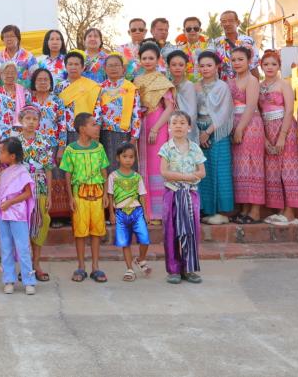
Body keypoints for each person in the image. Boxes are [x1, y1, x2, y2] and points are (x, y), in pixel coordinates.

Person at [59, 112, 109, 283]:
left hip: (97, 194)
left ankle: (96, 267)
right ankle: (81, 266)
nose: (97, 127)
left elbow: (104, 171)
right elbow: (67, 174)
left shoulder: (99, 148)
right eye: (93, 124)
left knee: (96, 232)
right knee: (80, 233)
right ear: (82, 128)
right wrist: (70, 197)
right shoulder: (71, 149)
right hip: (79, 195)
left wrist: (105, 194)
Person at [0, 137, 37, 295]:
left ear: (12, 156)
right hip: (3, 214)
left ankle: (29, 280)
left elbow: (28, 193)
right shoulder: (4, 172)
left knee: (22, 247)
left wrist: (10, 202)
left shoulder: (22, 171)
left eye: (2, 152)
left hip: (17, 213)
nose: (0, 155)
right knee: (5, 247)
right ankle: (9, 279)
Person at [159, 110, 205, 284]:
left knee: (191, 231)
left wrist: (187, 176)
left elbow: (202, 172)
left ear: (189, 127)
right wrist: (186, 177)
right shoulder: (166, 148)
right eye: (174, 123)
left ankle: (190, 268)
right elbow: (164, 172)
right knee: (171, 231)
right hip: (172, 193)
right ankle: (174, 270)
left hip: (191, 195)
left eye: (182, 122)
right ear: (169, 127)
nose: (178, 126)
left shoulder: (195, 148)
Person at [258, 50, 298, 225]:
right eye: (266, 64)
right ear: (261, 66)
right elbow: (259, 112)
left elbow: (290, 110)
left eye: (273, 64)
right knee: (272, 170)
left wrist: (282, 136)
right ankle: (279, 210)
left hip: (285, 127)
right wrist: (266, 139)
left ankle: (290, 212)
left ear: (279, 66)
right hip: (267, 128)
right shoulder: (260, 86)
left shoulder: (284, 84)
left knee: (288, 168)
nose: (270, 67)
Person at [134, 42, 175, 219]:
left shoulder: (162, 80)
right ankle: (145, 211)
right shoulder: (136, 81)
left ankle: (159, 213)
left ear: (158, 60)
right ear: (140, 60)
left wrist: (156, 128)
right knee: (143, 165)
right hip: (141, 126)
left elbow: (170, 107)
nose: (148, 61)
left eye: (151, 58)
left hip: (157, 125)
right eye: (144, 58)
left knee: (157, 167)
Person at [195, 51, 235, 225]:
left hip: (217, 131)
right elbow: (190, 111)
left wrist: (208, 132)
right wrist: (198, 133)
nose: (205, 69)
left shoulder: (222, 87)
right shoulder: (195, 86)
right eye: (202, 65)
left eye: (209, 65)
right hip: (198, 130)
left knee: (220, 169)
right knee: (204, 170)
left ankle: (222, 211)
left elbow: (224, 113)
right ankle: (207, 209)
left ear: (217, 66)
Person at [229, 47, 265, 224]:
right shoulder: (230, 81)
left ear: (249, 60)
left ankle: (255, 210)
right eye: (234, 60)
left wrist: (240, 128)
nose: (237, 63)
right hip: (234, 123)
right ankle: (244, 208)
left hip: (250, 125)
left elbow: (251, 106)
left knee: (252, 165)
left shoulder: (252, 80)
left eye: (240, 59)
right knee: (240, 167)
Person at [107, 143, 152, 282]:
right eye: (125, 156)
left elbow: (142, 195)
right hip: (120, 213)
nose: (128, 159)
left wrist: (145, 213)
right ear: (118, 158)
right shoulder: (113, 176)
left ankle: (141, 259)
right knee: (125, 242)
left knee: (145, 239)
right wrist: (112, 213)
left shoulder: (137, 177)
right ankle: (129, 269)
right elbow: (110, 196)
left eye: (131, 157)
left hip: (137, 211)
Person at [18, 105, 53, 282]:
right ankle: (24, 265)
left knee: (39, 224)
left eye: (34, 119)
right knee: (22, 226)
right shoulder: (15, 142)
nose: (31, 123)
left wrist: (50, 194)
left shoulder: (44, 141)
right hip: (19, 188)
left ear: (39, 122)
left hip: (39, 187)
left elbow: (48, 169)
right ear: (21, 121)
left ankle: (36, 263)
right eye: (27, 119)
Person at [93, 54, 141, 169]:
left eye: (116, 65)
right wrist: (95, 134)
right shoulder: (99, 88)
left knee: (126, 167)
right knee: (107, 167)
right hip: (104, 134)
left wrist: (134, 137)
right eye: (110, 65)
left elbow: (136, 114)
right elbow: (96, 112)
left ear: (123, 69)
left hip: (125, 134)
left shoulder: (131, 88)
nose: (113, 68)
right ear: (105, 68)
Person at [55, 51, 102, 144]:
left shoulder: (92, 86)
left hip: (86, 131)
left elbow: (97, 110)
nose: (73, 67)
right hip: (64, 132)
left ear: (82, 67)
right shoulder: (59, 87)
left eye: (76, 64)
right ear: (66, 66)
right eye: (70, 64)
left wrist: (95, 130)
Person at [29, 68, 67, 163]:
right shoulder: (28, 101)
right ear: (34, 82)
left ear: (51, 82)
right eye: (39, 79)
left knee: (53, 176)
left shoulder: (57, 101)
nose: (43, 82)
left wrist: (61, 148)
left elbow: (62, 126)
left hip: (52, 145)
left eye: (46, 79)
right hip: (31, 145)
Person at [212, 10, 258, 81]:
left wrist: (256, 86)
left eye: (231, 21)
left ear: (238, 22)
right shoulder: (216, 42)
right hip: (224, 85)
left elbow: (253, 66)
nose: (227, 24)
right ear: (221, 24)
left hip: (245, 84)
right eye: (224, 21)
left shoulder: (248, 41)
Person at [0, 61, 29, 140]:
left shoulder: (24, 92)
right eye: (6, 73)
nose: (10, 75)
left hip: (21, 134)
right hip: (2, 135)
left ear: (17, 75)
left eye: (13, 72)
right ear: (1, 75)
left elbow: (29, 113)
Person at [167, 50, 199, 143]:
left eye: (181, 65)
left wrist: (182, 126)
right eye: (174, 65)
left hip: (186, 129)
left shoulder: (189, 85)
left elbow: (192, 113)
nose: (177, 68)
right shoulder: (168, 85)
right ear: (169, 67)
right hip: (171, 128)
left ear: (185, 67)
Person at [174, 16, 208, 82]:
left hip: (205, 87)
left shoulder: (208, 48)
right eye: (189, 29)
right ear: (184, 31)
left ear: (200, 30)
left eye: (196, 28)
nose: (192, 30)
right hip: (184, 88)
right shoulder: (178, 49)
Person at [117, 18, 147, 82]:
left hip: (147, 85)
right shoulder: (120, 49)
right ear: (129, 32)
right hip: (127, 86)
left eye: (141, 29)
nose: (137, 31)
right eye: (133, 30)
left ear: (145, 31)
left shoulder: (153, 49)